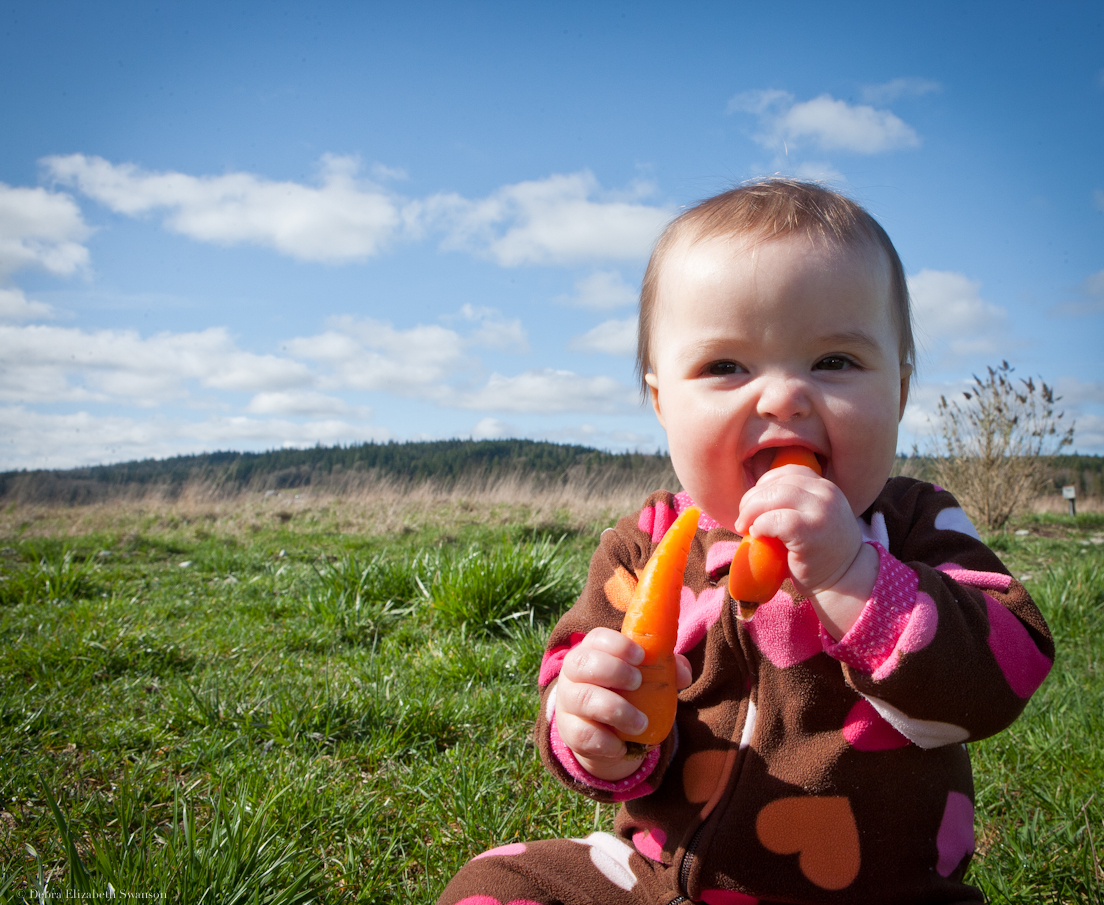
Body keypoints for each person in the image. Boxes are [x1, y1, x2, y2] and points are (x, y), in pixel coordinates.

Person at [436, 179, 1054, 904]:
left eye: (835, 361)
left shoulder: (917, 524)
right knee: (499, 881)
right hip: (661, 882)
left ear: (900, 392)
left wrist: (855, 574)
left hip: (883, 891)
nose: (782, 396)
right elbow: (596, 704)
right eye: (726, 366)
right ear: (663, 400)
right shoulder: (648, 544)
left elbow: (1002, 671)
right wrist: (592, 725)